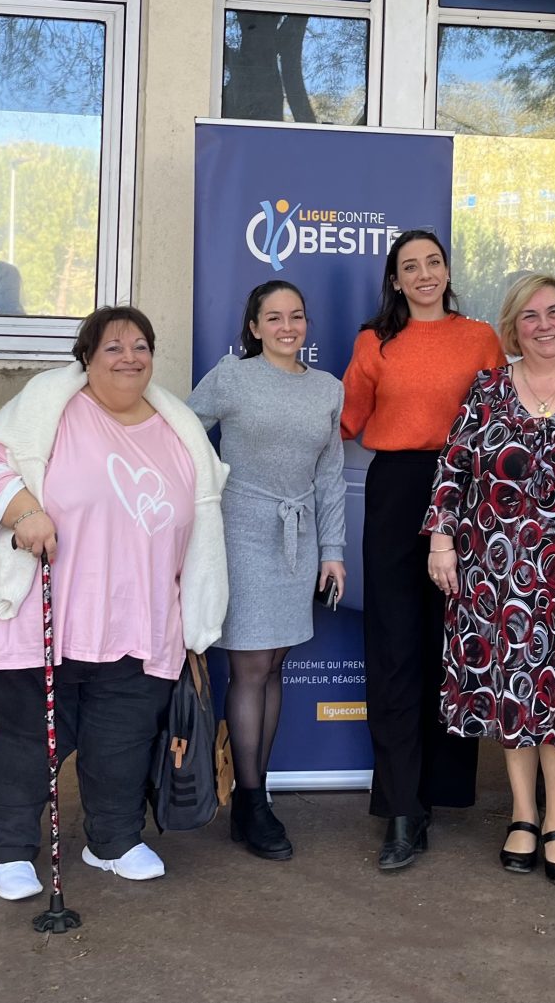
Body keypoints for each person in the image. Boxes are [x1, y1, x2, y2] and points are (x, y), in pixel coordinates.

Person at [0, 306, 229, 902]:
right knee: (28, 740)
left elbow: (200, 524)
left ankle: (111, 840)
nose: (129, 356)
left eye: (140, 345)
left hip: (141, 619)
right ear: (86, 357)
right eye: (112, 347)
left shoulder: (176, 429)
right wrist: (23, 510)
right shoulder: (50, 409)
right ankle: (10, 848)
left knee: (122, 741)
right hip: (47, 616)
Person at [426, 274, 555, 886]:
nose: (544, 325)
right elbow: (453, 468)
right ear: (512, 329)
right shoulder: (487, 391)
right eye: (529, 317)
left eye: (554, 313)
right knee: (510, 687)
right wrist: (441, 539)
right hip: (497, 569)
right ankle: (522, 812)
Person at [341, 229, 506, 871]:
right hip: (398, 493)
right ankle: (403, 810)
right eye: (410, 266)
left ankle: (443, 790)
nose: (424, 274)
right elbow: (345, 420)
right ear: (396, 279)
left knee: (455, 647)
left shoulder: (481, 338)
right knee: (395, 649)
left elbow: (501, 422)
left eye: (433, 262)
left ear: (446, 269)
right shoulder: (374, 342)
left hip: (470, 493)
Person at [188, 280, 348, 860]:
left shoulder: (328, 389)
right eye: (273, 317)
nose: (287, 326)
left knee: (274, 662)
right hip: (241, 532)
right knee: (252, 663)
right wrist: (204, 504)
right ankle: (251, 801)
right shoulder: (232, 376)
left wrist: (333, 551)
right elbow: (181, 435)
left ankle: (256, 789)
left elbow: (330, 475)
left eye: (297, 316)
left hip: (298, 537)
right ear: (254, 327)